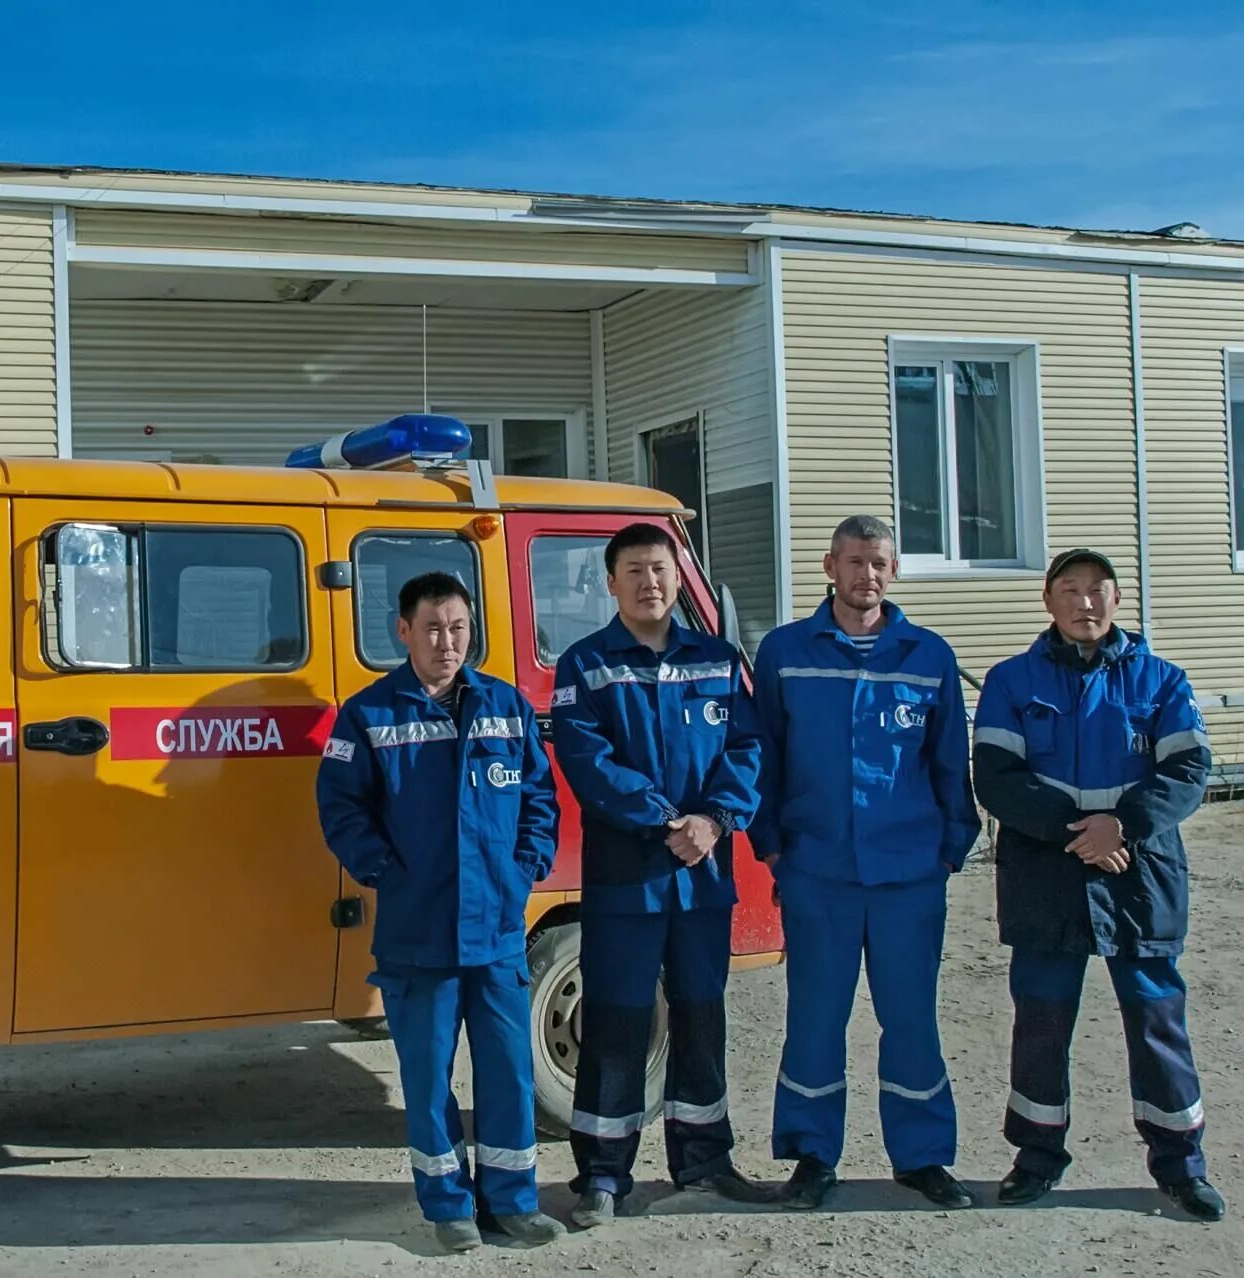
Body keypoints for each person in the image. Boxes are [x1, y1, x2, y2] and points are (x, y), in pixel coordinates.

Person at [315, 571, 564, 1252]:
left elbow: (541, 801)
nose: (446, 641)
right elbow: (340, 809)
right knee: (427, 1079)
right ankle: (449, 1205)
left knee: (509, 1073)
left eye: (457, 627)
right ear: (403, 632)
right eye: (431, 627)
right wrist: (384, 873)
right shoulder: (369, 715)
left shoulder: (506, 706)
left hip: (497, 931)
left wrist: (524, 868)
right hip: (416, 931)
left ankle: (513, 1201)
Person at [972, 548, 1223, 1221]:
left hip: (1138, 875)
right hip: (1047, 877)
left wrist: (1123, 827)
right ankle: (1036, 1157)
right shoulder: (1011, 682)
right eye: (1071, 590)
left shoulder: (1162, 681)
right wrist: (1079, 832)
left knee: (1155, 1019)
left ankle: (1180, 1164)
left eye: (1098, 590)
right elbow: (995, 775)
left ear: (1116, 601)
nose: (1085, 602)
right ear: (1049, 602)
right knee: (1042, 1019)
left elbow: (1188, 771)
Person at [751, 514, 980, 1211]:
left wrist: (948, 848)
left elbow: (949, 763)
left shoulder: (927, 655)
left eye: (879, 562)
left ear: (894, 570)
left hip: (908, 875)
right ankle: (812, 1155)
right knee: (815, 1020)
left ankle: (922, 1157)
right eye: (853, 561)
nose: (866, 575)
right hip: (818, 871)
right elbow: (764, 756)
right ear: (829, 566)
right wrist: (774, 849)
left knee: (911, 1019)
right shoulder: (787, 653)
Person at [549, 521, 776, 1225]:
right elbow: (588, 762)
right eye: (635, 571)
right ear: (611, 584)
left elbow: (748, 747)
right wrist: (664, 820)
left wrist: (713, 820)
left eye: (661, 569)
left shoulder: (717, 659)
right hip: (628, 878)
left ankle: (705, 1160)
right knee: (615, 1023)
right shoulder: (584, 666)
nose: (650, 582)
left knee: (702, 1017)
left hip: (703, 875)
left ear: (680, 579)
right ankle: (604, 1176)